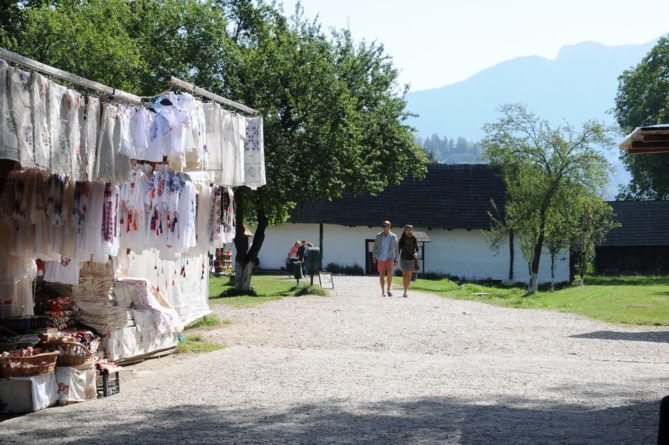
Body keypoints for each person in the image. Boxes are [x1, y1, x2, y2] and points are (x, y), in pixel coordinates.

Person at [372, 220, 399, 297]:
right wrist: (374, 256)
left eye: (386, 226)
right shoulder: (378, 236)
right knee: (381, 274)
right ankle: (383, 291)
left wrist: (396, 259)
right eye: (383, 226)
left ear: (389, 226)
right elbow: (375, 247)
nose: (384, 227)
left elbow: (396, 248)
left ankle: (389, 289)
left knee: (390, 273)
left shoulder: (393, 236)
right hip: (380, 257)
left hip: (390, 257)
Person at [398, 224, 419, 298]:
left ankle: (406, 291)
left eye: (410, 230)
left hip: (411, 259)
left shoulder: (414, 238)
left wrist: (416, 253)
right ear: (404, 230)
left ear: (411, 231)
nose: (408, 231)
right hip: (403, 258)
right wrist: (396, 259)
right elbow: (398, 249)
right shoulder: (402, 239)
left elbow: (417, 249)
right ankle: (404, 290)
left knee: (409, 275)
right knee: (404, 275)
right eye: (407, 230)